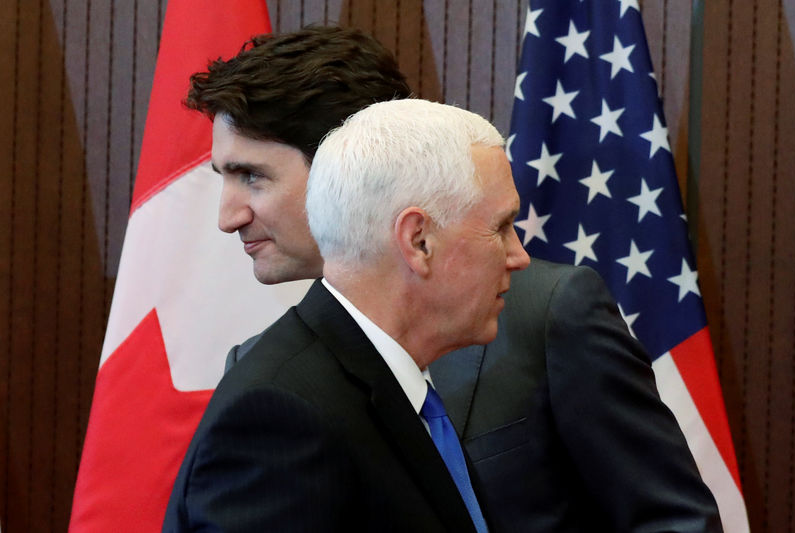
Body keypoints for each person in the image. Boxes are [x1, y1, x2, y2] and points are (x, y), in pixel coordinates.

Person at [180, 26, 723, 532]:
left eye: (252, 176)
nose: (228, 216)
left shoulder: (550, 313)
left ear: (347, 159)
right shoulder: (268, 383)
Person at [163, 99, 530, 532]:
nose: (518, 256)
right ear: (418, 242)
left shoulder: (384, 383)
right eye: (500, 228)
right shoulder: (282, 417)